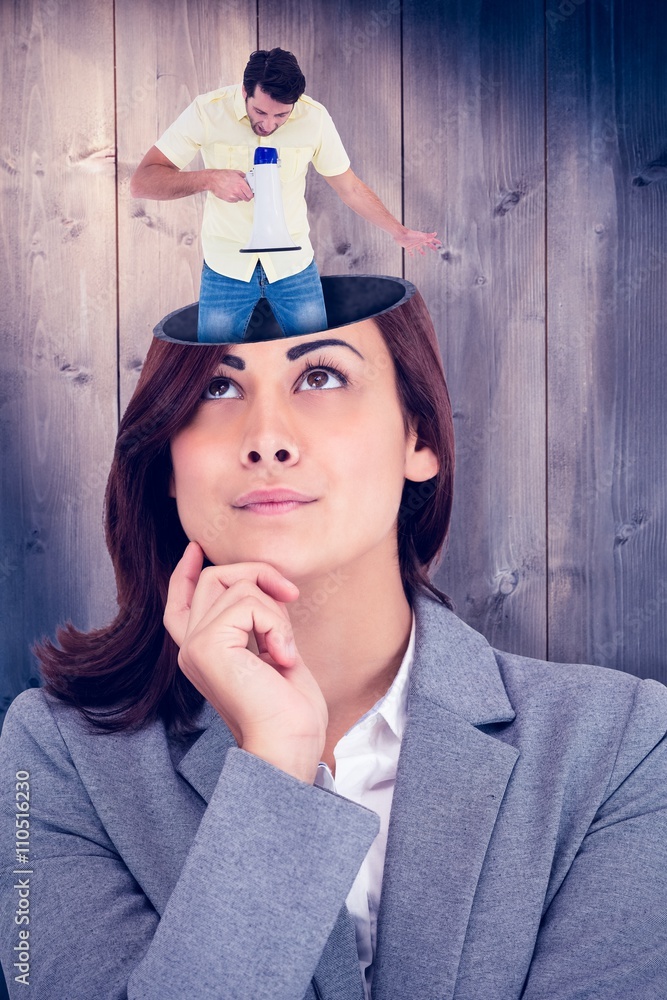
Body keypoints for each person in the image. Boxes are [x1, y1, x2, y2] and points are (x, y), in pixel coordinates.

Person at [2, 279, 667, 1000]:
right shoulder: (54, 758)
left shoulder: (620, 748)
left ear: (419, 438)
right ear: (166, 460)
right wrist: (276, 768)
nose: (266, 441)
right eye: (218, 389)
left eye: (320, 376)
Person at [129, 48, 441, 341]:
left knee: (316, 361)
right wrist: (209, 178)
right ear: (244, 91)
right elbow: (142, 182)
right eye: (260, 112)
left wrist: (398, 231)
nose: (269, 124)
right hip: (226, 266)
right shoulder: (207, 111)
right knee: (211, 371)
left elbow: (350, 187)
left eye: (282, 116)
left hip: (293, 267)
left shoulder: (314, 118)